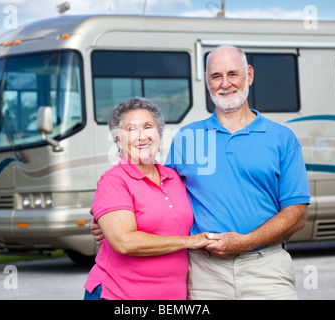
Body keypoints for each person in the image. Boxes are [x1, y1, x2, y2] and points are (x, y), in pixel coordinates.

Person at [91, 46, 310, 300]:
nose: (225, 84)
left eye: (233, 74)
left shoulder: (282, 138)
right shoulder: (187, 138)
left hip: (266, 267)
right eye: (216, 76)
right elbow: (155, 192)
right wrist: (103, 218)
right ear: (207, 81)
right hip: (204, 274)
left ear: (249, 75)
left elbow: (297, 215)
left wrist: (246, 241)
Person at [84, 97, 215, 300]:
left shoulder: (175, 178)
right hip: (118, 295)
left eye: (148, 127)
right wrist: (190, 241)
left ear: (159, 134)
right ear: (118, 140)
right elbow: (125, 242)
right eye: (131, 129)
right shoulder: (113, 181)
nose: (141, 136)